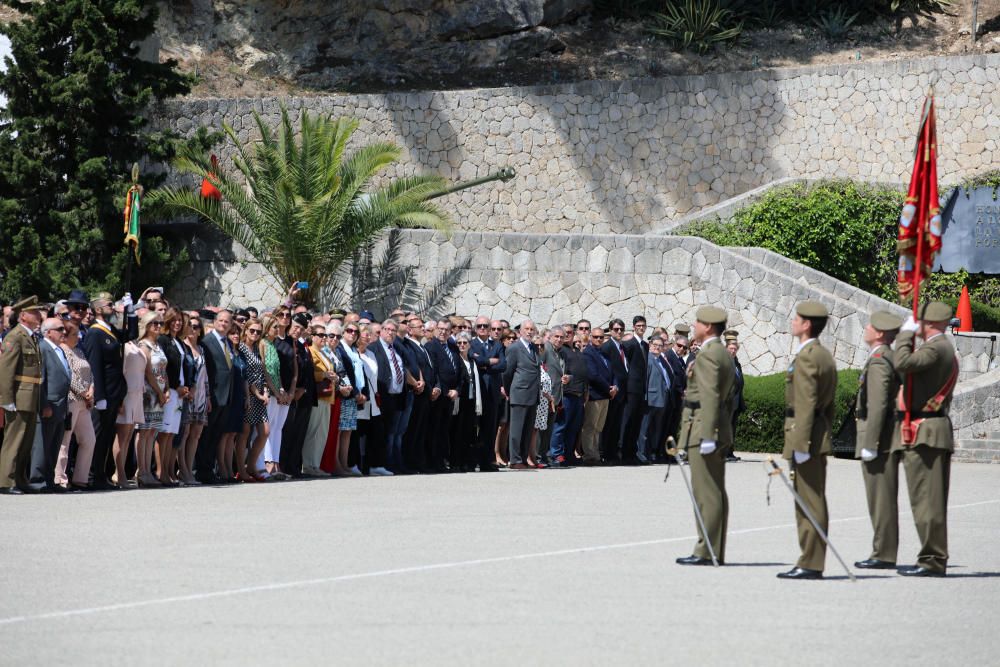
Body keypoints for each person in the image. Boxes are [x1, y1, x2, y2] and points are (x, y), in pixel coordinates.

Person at [893, 301, 959, 577]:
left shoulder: (936, 348)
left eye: (919, 323)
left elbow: (903, 363)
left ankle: (932, 559)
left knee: (926, 500)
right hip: (930, 429)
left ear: (928, 323)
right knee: (928, 499)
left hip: (926, 432)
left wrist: (905, 335)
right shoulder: (942, 348)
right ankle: (932, 556)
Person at [777, 301, 837, 580]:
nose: (793, 321)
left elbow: (806, 402)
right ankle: (810, 558)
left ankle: (811, 562)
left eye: (797, 318)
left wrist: (800, 444)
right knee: (811, 499)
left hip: (807, 440)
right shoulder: (821, 354)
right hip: (813, 436)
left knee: (809, 501)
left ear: (807, 325)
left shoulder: (809, 357)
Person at [675, 306, 736, 567]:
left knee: (706, 493)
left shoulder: (710, 354)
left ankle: (706, 549)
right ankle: (713, 549)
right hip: (707, 427)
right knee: (714, 491)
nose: (695, 325)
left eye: (698, 322)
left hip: (703, 429)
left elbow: (709, 396)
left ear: (708, 327)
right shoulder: (719, 352)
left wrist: (708, 435)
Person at [853, 311, 903, 570]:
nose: (866, 329)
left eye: (871, 326)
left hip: (880, 442)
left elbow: (878, 405)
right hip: (882, 440)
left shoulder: (880, 360)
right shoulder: (883, 357)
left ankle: (882, 554)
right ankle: (883, 551)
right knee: (882, 499)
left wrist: (870, 444)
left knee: (881, 499)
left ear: (880, 333)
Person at [83, 291, 137, 490]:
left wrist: (130, 312)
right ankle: (91, 475)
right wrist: (100, 396)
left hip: (115, 392)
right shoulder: (94, 333)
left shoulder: (110, 329)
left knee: (106, 436)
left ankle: (100, 475)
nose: (112, 307)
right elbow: (94, 365)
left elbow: (131, 335)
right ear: (97, 309)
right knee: (97, 436)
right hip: (104, 393)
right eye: (108, 304)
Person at [0, 297, 48, 494]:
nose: (39, 315)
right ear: (23, 316)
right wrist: (6, 399)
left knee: (26, 442)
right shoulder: (15, 337)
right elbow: (6, 370)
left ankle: (19, 479)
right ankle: (5, 481)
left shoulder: (31, 337)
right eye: (34, 312)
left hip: (31, 396)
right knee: (14, 440)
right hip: (19, 396)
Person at [29, 318, 72, 492]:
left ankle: (49, 479)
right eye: (60, 329)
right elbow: (41, 379)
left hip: (61, 404)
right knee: (42, 444)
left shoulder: (58, 349)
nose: (64, 332)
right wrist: (44, 403)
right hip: (50, 404)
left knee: (54, 444)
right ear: (48, 332)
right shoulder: (43, 348)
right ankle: (37, 480)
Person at [54, 318, 96, 491]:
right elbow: (68, 375)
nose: (78, 337)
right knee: (65, 440)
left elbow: (90, 373)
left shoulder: (79, 351)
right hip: (72, 399)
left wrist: (91, 390)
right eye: (74, 334)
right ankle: (60, 478)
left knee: (89, 439)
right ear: (64, 336)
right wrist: (82, 392)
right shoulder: (63, 351)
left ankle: (81, 477)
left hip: (84, 402)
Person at [197, 310, 234, 483]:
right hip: (214, 394)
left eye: (227, 322)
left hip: (226, 395)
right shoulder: (207, 342)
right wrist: (208, 395)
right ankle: (203, 470)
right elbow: (208, 372)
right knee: (207, 434)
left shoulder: (227, 343)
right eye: (220, 320)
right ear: (215, 321)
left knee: (216, 435)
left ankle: (210, 469)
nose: (223, 324)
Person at [156, 307, 190, 486]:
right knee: (164, 432)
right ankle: (161, 471)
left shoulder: (178, 341)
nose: (178, 323)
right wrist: (175, 386)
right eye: (174, 320)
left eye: (180, 320)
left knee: (171, 434)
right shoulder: (163, 340)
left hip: (180, 392)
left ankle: (169, 471)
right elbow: (165, 367)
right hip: (171, 390)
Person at [502, 320, 541, 470]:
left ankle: (523, 459)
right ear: (520, 331)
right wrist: (509, 390)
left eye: (532, 329)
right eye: (527, 329)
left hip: (533, 394)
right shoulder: (514, 348)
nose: (530, 332)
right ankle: (515, 459)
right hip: (519, 393)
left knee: (527, 429)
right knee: (517, 430)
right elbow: (507, 372)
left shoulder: (534, 348)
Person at [135, 312, 168, 488]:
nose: (158, 326)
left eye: (160, 323)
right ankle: (142, 471)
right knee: (144, 432)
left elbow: (163, 369)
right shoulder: (144, 345)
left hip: (160, 393)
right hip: (149, 393)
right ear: (146, 325)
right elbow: (148, 371)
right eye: (154, 323)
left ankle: (148, 470)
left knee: (152, 433)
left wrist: (167, 389)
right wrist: (160, 392)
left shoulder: (158, 345)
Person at [425, 319, 460, 472]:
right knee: (434, 429)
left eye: (446, 329)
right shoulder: (430, 346)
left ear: (450, 331)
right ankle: (433, 462)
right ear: (435, 329)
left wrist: (457, 389)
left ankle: (441, 460)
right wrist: (442, 389)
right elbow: (434, 371)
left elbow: (459, 371)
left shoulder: (453, 347)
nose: (442, 332)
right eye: (440, 328)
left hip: (451, 396)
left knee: (444, 430)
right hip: (438, 395)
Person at [356, 324, 391, 476]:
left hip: (374, 399)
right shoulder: (354, 354)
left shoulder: (370, 353)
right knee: (361, 433)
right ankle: (361, 465)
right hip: (362, 398)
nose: (368, 338)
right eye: (365, 335)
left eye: (370, 335)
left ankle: (376, 464)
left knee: (376, 431)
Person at [302, 322, 336, 477]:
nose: (324, 338)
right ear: (312, 336)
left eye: (325, 335)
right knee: (313, 431)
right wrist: (324, 375)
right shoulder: (311, 351)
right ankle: (308, 464)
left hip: (327, 396)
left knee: (322, 433)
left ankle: (315, 464)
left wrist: (332, 376)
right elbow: (310, 373)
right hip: (318, 395)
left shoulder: (324, 353)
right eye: (320, 335)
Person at [240, 318, 271, 482]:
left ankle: (251, 465)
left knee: (265, 432)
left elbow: (262, 372)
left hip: (260, 395)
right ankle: (241, 469)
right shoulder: (242, 348)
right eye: (252, 330)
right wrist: (257, 394)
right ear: (245, 330)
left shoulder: (258, 348)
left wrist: (265, 391)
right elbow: (246, 375)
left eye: (258, 332)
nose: (255, 334)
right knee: (244, 433)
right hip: (248, 395)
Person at [334, 322, 366, 476]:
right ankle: (337, 464)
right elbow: (342, 371)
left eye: (355, 331)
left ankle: (344, 463)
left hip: (354, 394)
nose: (352, 333)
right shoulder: (339, 348)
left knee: (347, 430)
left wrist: (360, 392)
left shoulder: (354, 350)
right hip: (344, 394)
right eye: (349, 330)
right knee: (340, 430)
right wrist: (353, 392)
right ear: (343, 332)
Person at [581, 327, 615, 465]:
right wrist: (609, 388)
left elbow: (612, 372)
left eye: (601, 337)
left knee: (598, 427)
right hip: (595, 395)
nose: (599, 339)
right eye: (596, 337)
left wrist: (615, 386)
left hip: (605, 395)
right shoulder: (588, 353)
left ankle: (595, 453)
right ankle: (590, 456)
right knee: (590, 426)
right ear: (590, 337)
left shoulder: (604, 353)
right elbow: (593, 375)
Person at [637, 337, 670, 465]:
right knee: (644, 429)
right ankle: (641, 453)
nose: (657, 347)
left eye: (660, 345)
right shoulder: (648, 360)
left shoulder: (660, 360)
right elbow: (645, 380)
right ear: (650, 345)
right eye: (655, 344)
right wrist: (645, 398)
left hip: (661, 399)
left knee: (654, 429)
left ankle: (650, 453)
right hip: (650, 399)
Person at [620, 315, 649, 463]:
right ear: (634, 327)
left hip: (641, 388)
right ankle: (624, 453)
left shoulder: (645, 345)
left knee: (637, 421)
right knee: (628, 420)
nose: (641, 328)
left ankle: (632, 452)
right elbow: (626, 365)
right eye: (638, 326)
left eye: (643, 326)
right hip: (631, 388)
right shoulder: (629, 344)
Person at [600, 318, 629, 464]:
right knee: (608, 424)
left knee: (617, 424)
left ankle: (613, 453)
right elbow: (604, 369)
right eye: (616, 329)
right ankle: (605, 453)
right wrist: (610, 386)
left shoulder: (622, 347)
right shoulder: (607, 347)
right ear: (610, 330)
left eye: (621, 329)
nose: (619, 332)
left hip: (622, 392)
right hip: (612, 391)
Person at [723, 329, 746, 463]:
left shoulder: (736, 362)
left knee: (732, 427)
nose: (733, 351)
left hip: (736, 401)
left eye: (735, 349)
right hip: (727, 401)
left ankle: (730, 451)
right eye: (731, 348)